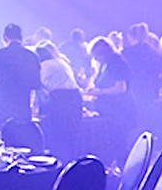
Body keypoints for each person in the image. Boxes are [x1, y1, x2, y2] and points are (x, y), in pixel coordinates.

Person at [83, 37, 136, 167]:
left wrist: (99, 92)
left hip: (120, 110)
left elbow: (120, 88)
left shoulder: (117, 63)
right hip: (109, 110)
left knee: (120, 143)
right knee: (112, 142)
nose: (95, 59)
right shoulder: (105, 65)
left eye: (97, 56)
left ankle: (125, 170)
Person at [0, 23, 41, 127]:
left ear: (5, 38)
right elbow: (36, 84)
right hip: (22, 107)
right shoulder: (32, 56)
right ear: (21, 38)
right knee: (21, 134)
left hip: (1, 106)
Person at [36, 41, 82, 161]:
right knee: (72, 131)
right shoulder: (61, 62)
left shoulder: (42, 66)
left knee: (59, 131)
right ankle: (73, 160)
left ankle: (60, 160)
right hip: (75, 96)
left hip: (60, 98)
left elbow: (39, 87)